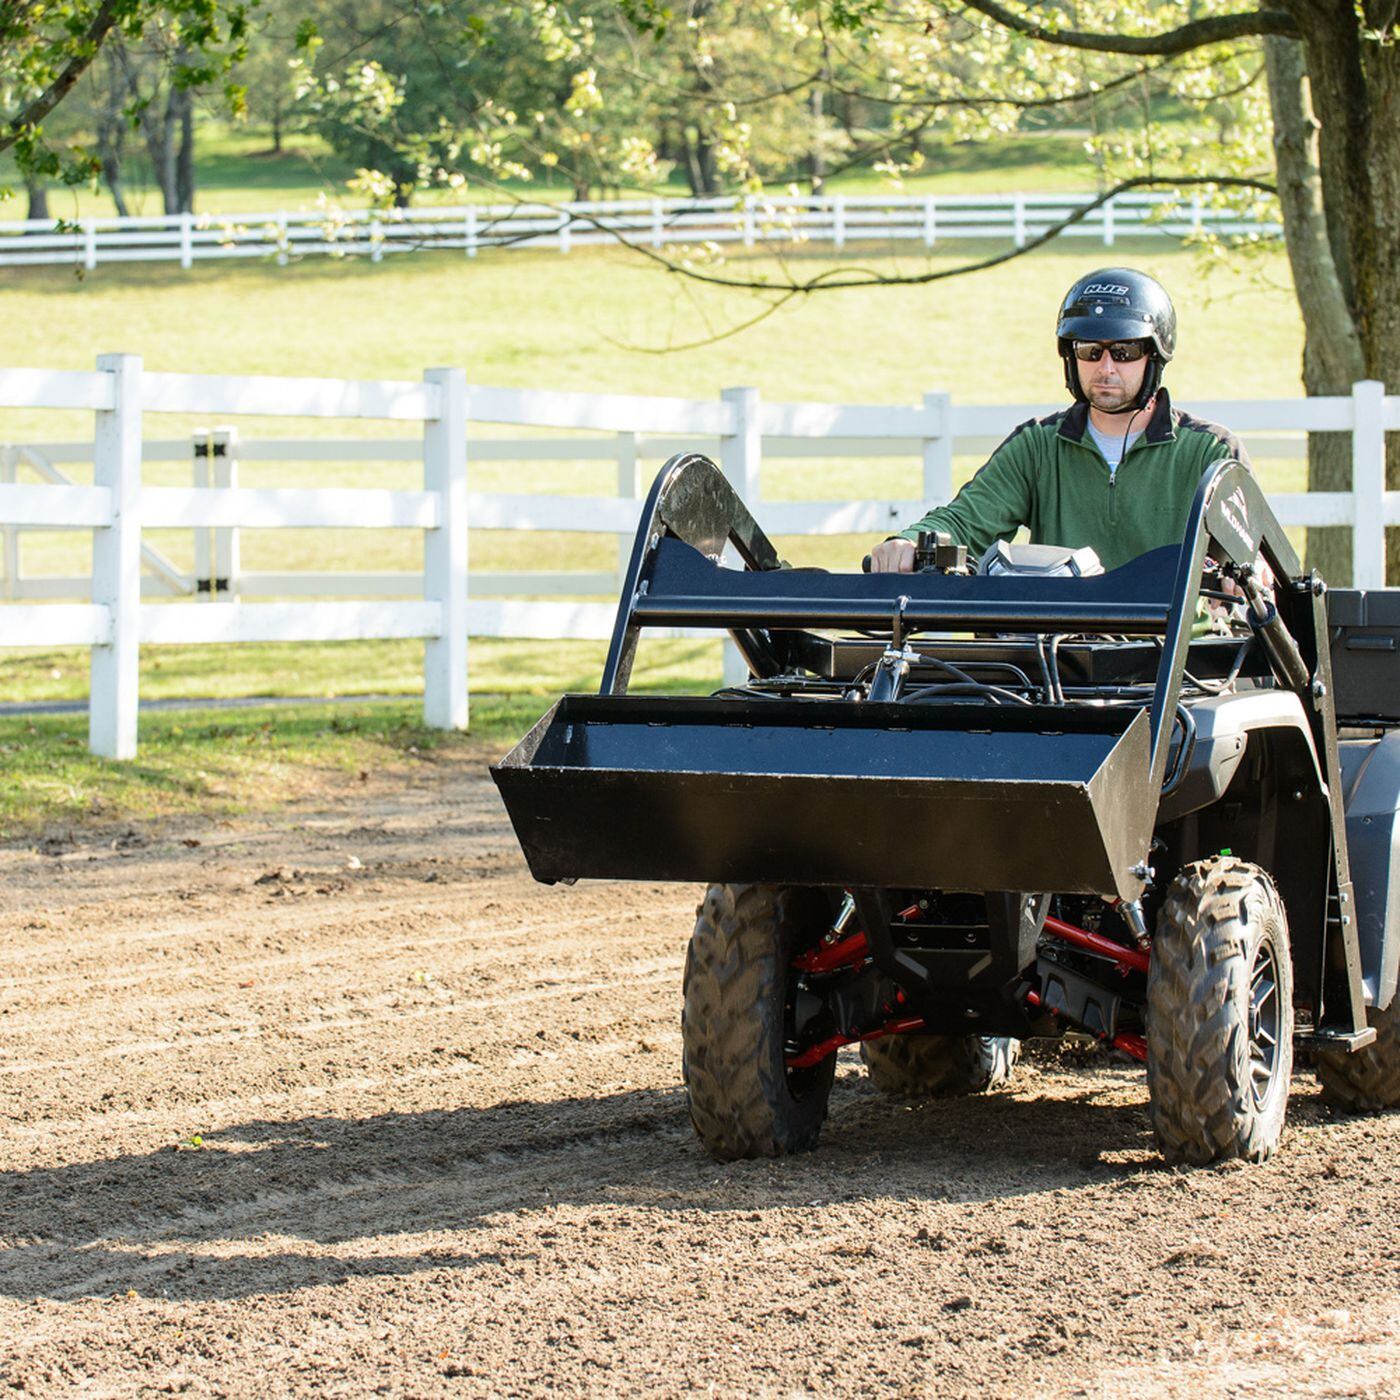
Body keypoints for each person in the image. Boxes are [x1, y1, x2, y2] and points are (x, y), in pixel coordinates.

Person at [867, 267, 1250, 575]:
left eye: (1124, 350)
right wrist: (910, 541)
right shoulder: (1038, 445)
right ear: (1071, 356)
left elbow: (1248, 558)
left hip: (1174, 653)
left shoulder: (1208, 451)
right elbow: (968, 521)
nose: (1106, 367)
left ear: (1155, 355)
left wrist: (1247, 573)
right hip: (1060, 651)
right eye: (1089, 350)